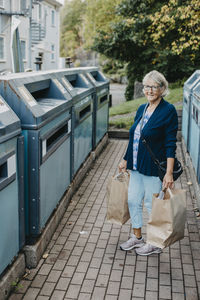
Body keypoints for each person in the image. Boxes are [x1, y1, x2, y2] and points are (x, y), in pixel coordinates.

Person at [118, 70, 178, 256]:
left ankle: (155, 243)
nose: (149, 90)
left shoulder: (168, 111)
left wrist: (168, 173)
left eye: (154, 86)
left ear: (162, 88)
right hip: (136, 166)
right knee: (133, 200)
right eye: (146, 86)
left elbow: (170, 143)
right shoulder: (142, 109)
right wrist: (125, 159)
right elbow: (134, 137)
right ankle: (137, 237)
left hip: (153, 169)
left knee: (153, 206)